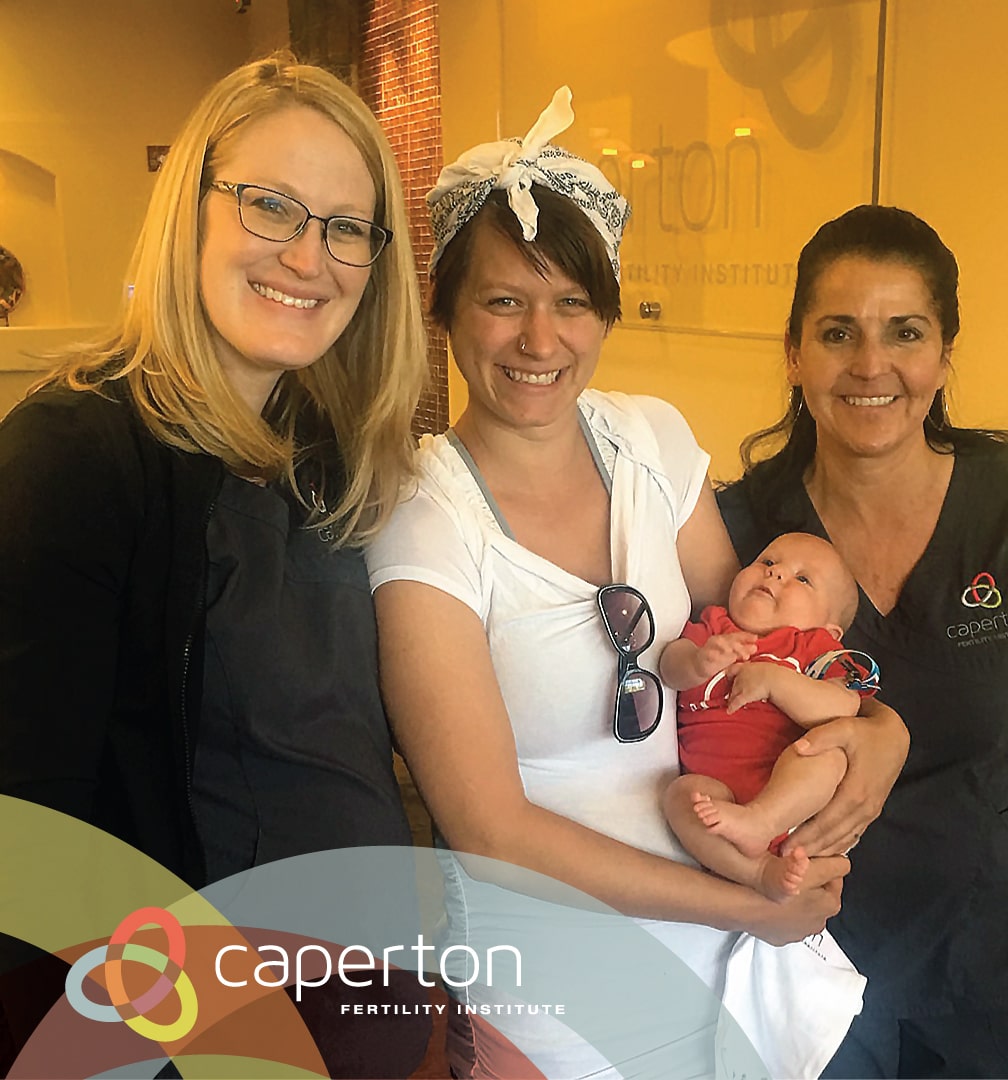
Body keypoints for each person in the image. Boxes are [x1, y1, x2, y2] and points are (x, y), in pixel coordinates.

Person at [367, 87, 908, 1080]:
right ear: (444, 306)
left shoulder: (649, 442)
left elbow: (758, 636)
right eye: (503, 301)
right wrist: (747, 903)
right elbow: (491, 830)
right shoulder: (421, 515)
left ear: (606, 311)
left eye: (572, 302)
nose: (541, 341)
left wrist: (879, 730)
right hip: (560, 1001)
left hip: (730, 973)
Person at [0, 55, 430, 1076]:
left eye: (347, 226)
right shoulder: (75, 452)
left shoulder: (333, 459)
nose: (308, 256)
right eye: (270, 205)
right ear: (189, 210)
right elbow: (28, 839)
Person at [716, 203, 1008, 1078]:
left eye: (905, 332)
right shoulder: (743, 531)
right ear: (794, 353)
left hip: (993, 950)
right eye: (838, 332)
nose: (871, 365)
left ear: (944, 354)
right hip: (809, 953)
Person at [662, 532, 877, 903]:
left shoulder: (816, 649)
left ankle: (763, 821)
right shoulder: (714, 627)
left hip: (789, 796)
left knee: (829, 754)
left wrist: (777, 682)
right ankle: (759, 872)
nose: (775, 573)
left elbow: (844, 706)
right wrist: (697, 662)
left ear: (830, 630)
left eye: (803, 579)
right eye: (768, 561)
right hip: (716, 794)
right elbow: (668, 667)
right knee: (680, 797)